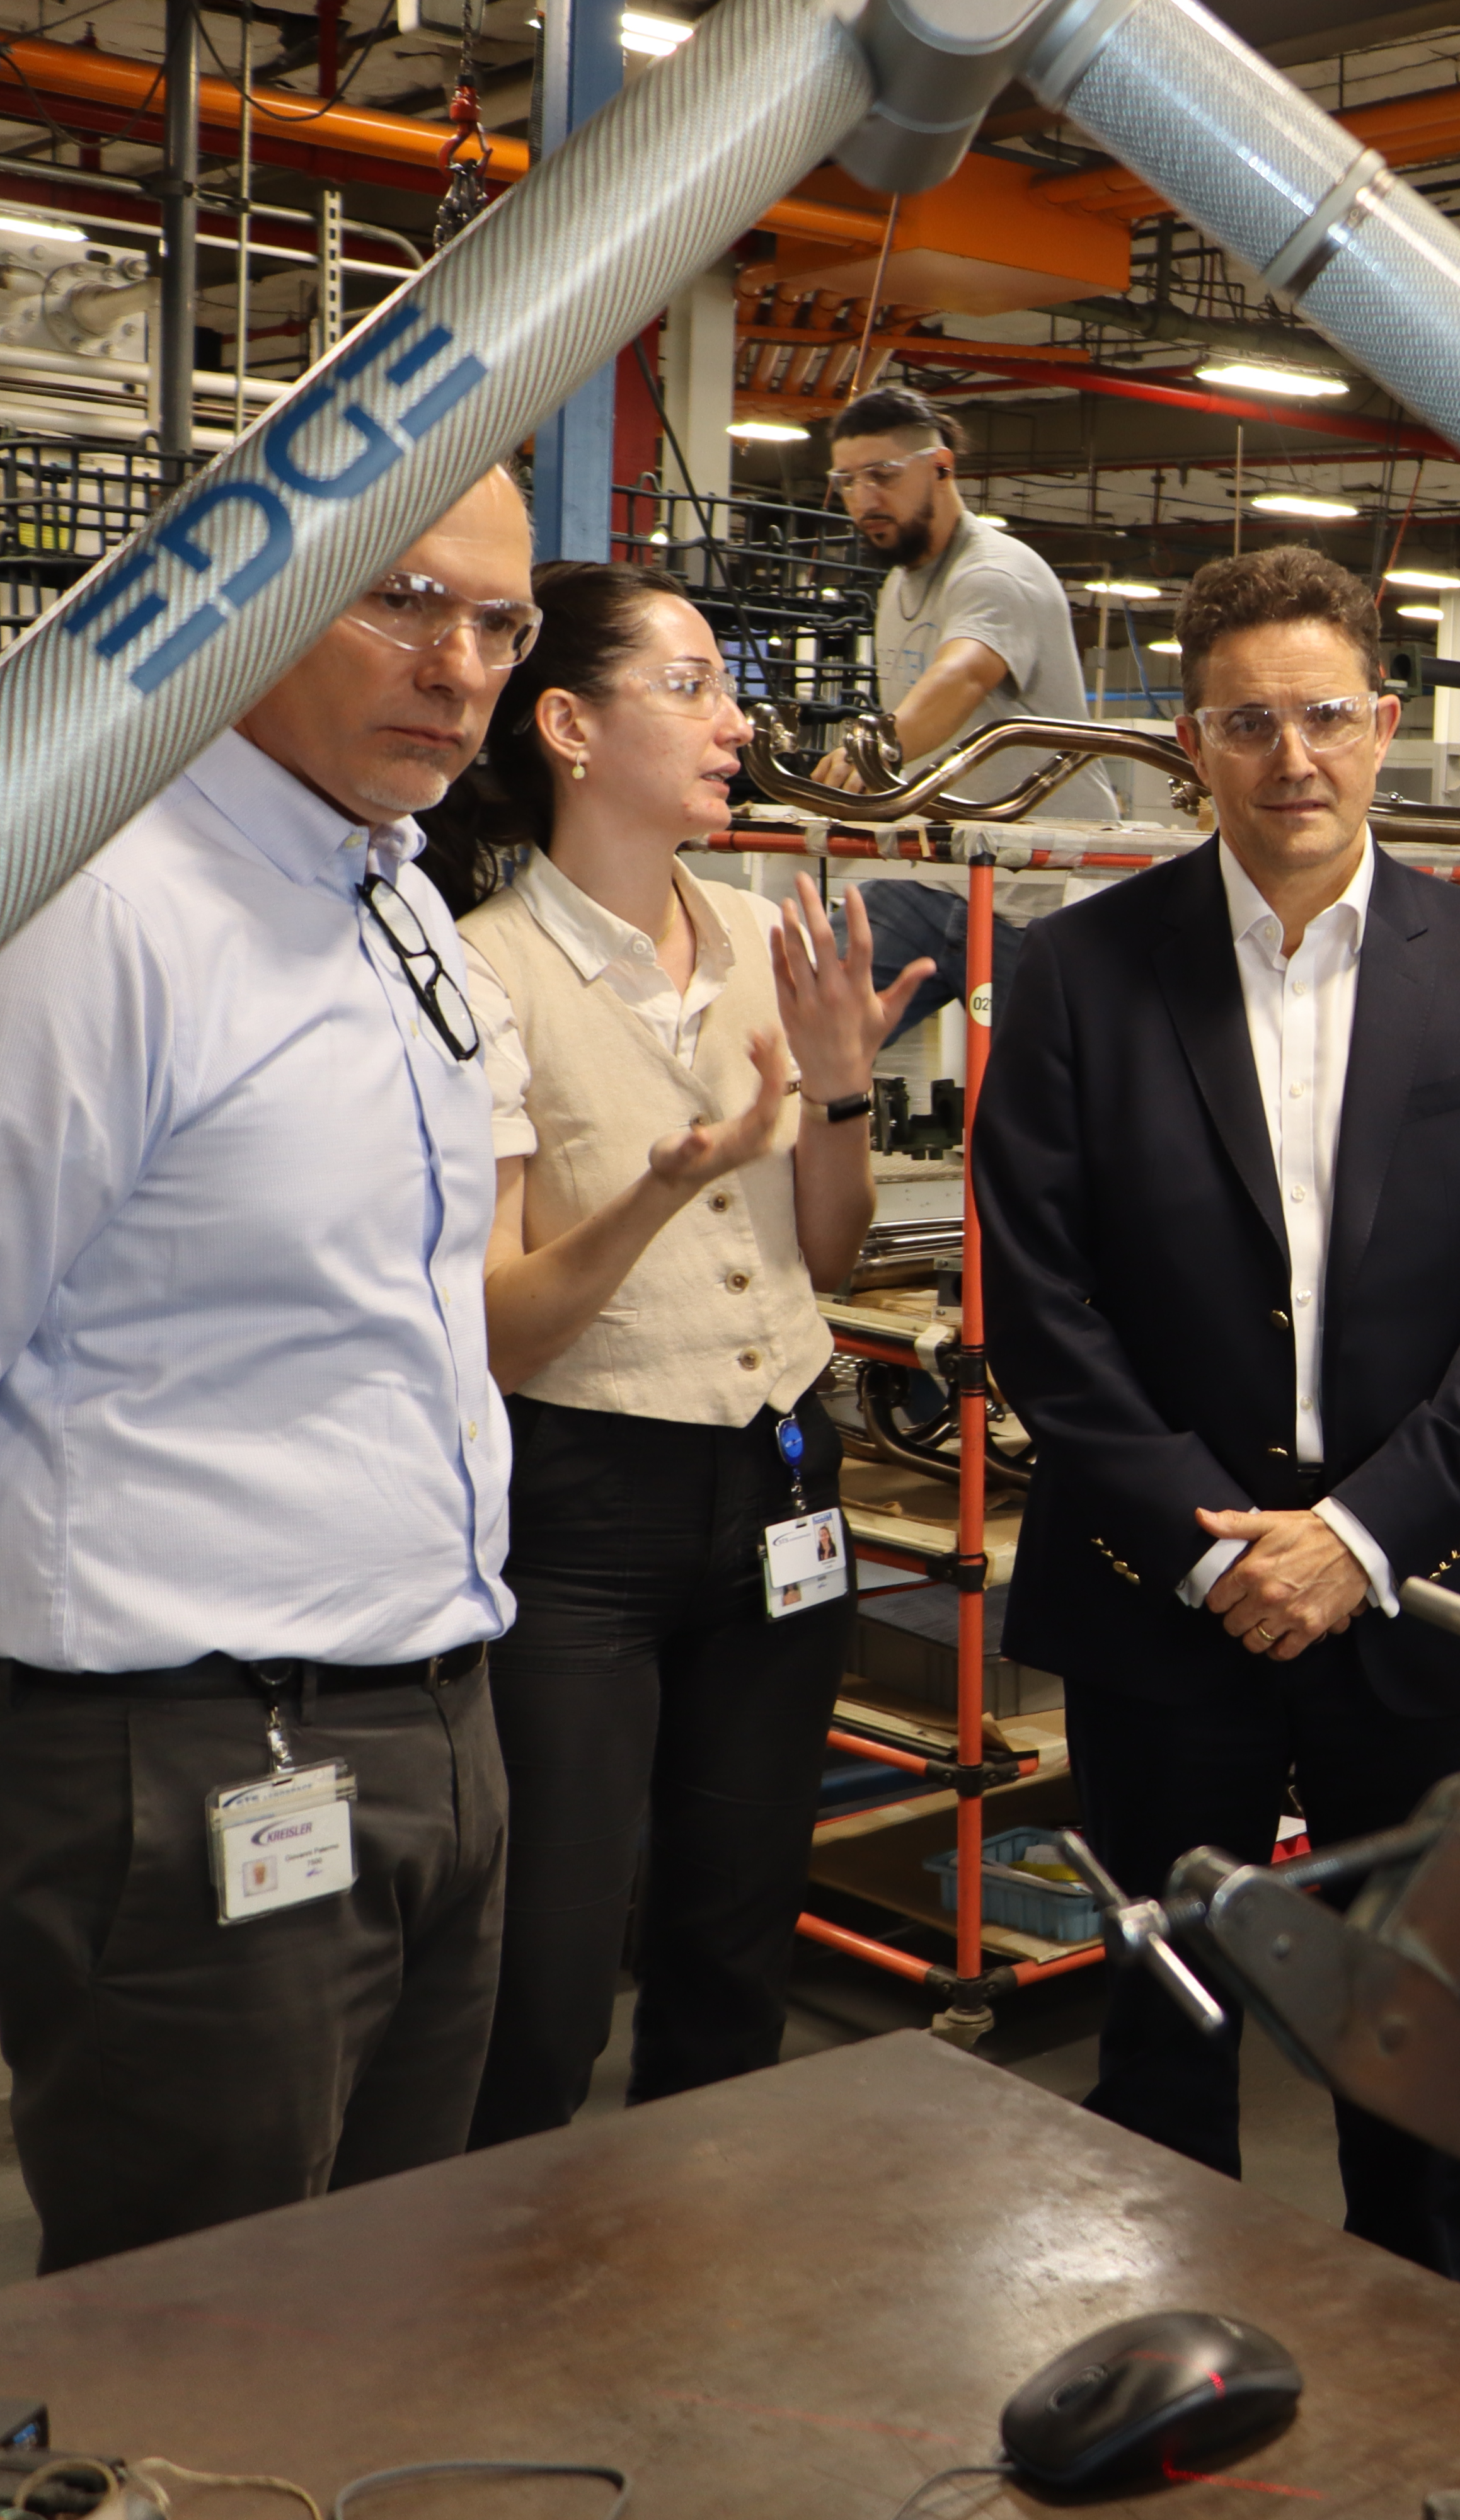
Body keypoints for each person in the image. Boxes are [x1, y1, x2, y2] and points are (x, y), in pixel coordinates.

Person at [0, 474, 539, 2271]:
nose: (457, 667)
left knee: (381, 2304)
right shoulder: (91, 909)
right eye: (399, 599)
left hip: (432, 1718)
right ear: (248, 600)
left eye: (499, 623)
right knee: (194, 2350)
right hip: (189, 1748)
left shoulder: (394, 904)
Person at [972, 542, 1460, 2282]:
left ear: (1385, 724)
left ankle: (1418, 2359)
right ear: (1195, 743)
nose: (1292, 757)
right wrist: (1213, 1550)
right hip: (1168, 1600)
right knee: (1170, 2013)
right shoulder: (1086, 974)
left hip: (1426, 1591)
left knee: (1415, 2019)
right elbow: (1044, 1303)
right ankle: (1177, 2357)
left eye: (1325, 715)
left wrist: (1362, 1537)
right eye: (1249, 723)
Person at [433, 563, 937, 2146]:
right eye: (695, 685)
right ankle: (507, 2268)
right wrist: (653, 1193)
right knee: (556, 1958)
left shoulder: (766, 940)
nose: (735, 723)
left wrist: (843, 1091)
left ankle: (695, 2251)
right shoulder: (479, 971)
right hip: (584, 1511)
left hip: (783, 1479)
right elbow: (501, 1335)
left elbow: (832, 1252)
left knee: (738, 1924)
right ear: (570, 725)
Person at [821, 382, 1086, 797]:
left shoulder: (994, 573)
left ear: (941, 467)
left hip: (1046, 850)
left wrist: (874, 747)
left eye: (882, 475)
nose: (863, 500)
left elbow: (962, 675)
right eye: (847, 481)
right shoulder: (897, 584)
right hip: (961, 841)